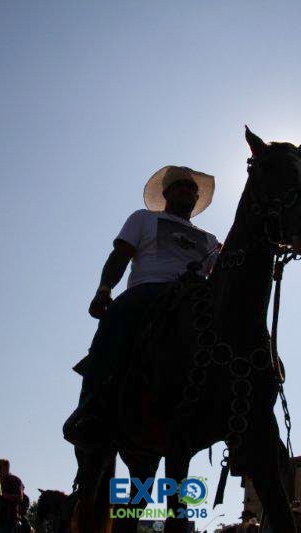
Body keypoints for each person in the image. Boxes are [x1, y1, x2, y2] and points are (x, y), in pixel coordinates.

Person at [63, 165, 220, 448]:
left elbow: (221, 276)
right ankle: (90, 409)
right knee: (113, 324)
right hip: (150, 290)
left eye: (191, 190)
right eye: (181, 187)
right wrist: (104, 290)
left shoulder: (210, 240)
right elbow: (120, 255)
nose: (187, 192)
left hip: (198, 298)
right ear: (166, 193)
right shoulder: (143, 219)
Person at [0, 459, 24, 533]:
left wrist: (2, 494)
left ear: (6, 467)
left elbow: (20, 498)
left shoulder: (15, 480)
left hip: (9, 519)